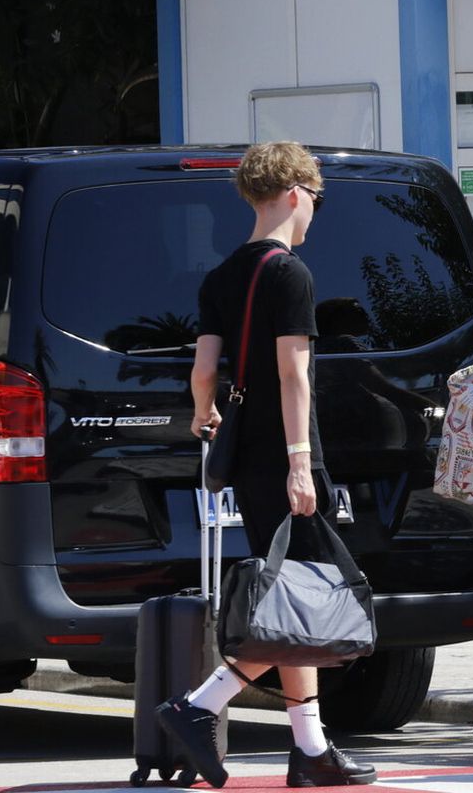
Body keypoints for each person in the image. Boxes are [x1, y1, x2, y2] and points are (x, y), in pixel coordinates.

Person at [159, 141, 376, 789]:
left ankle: (311, 748)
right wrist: (301, 463)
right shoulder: (290, 275)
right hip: (285, 456)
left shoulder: (221, 276)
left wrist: (204, 412)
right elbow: (293, 374)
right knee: (299, 594)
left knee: (292, 597)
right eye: (315, 199)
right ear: (293, 193)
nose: (314, 213)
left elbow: (204, 370)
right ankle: (200, 706)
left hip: (248, 459)